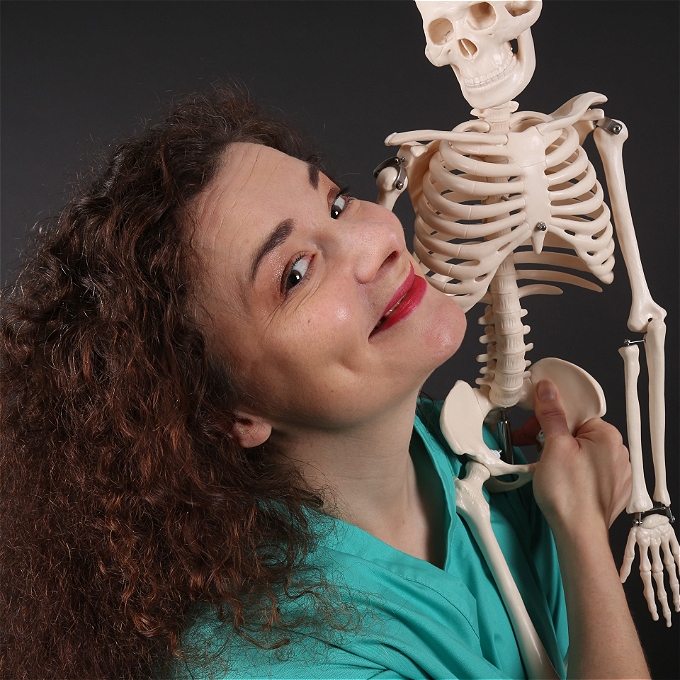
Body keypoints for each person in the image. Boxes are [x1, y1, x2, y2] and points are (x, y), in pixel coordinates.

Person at [0, 87, 649, 680]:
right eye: (296, 272)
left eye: (337, 203)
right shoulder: (275, 661)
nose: (377, 241)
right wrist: (585, 537)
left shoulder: (471, 452)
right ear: (229, 413)